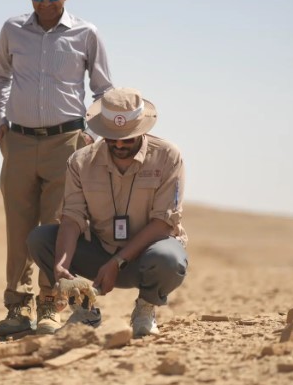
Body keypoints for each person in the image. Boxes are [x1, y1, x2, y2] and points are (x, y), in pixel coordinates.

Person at [0, 0, 113, 337]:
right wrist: (2, 119)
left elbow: (103, 90)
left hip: (67, 142)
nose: (45, 3)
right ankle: (17, 308)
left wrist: (92, 135)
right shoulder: (12, 30)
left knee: (57, 227)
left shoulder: (86, 33)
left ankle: (49, 305)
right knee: (18, 228)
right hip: (19, 141)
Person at [27, 88, 188, 338]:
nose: (119, 144)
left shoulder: (167, 156)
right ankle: (85, 311)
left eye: (127, 139)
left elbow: (163, 223)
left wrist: (118, 262)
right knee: (41, 239)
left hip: (147, 257)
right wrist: (61, 267)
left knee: (169, 258)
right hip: (100, 253)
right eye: (112, 138)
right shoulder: (80, 161)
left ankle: (145, 309)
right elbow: (72, 218)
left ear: (142, 130)